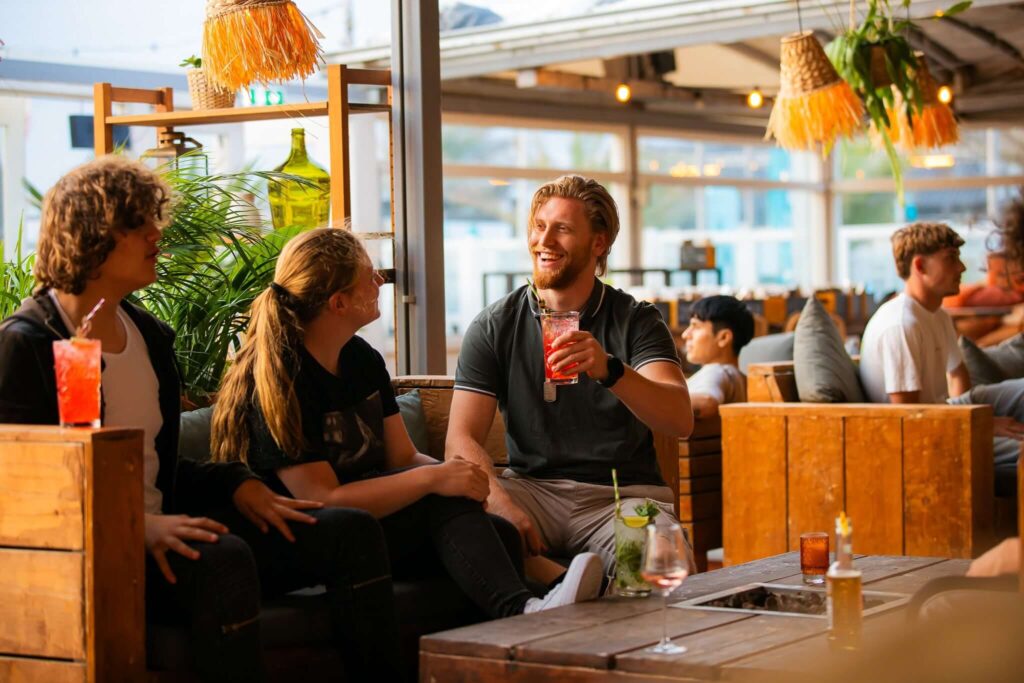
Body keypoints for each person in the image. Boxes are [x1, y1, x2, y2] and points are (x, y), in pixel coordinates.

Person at [0, 156, 399, 682]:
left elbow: (151, 464)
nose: (156, 234)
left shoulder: (146, 335)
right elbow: (21, 492)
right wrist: (138, 528)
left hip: (164, 523)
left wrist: (238, 483)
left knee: (348, 530)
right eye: (140, 223)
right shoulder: (26, 344)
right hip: (86, 551)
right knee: (223, 559)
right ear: (93, 233)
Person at [209, 227, 604, 630]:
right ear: (339, 302)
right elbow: (322, 498)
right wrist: (434, 479)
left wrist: (455, 477)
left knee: (494, 528)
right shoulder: (281, 379)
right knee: (441, 498)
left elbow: (401, 457)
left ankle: (533, 613)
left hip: (365, 522)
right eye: (368, 274)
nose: (380, 280)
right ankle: (528, 610)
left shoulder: (361, 359)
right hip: (306, 537)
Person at [446, 175, 695, 585]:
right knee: (455, 515)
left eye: (562, 228)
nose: (545, 240)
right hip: (533, 490)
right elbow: (460, 439)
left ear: (598, 243)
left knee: (652, 566)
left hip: (619, 496)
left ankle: (568, 586)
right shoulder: (494, 325)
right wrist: (501, 504)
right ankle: (564, 585)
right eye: (539, 226)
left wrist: (610, 370)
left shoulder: (635, 320)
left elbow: (679, 419)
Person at [859, 221, 1024, 479]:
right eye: (951, 259)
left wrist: (975, 417)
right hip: (925, 432)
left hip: (944, 412)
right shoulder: (901, 324)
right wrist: (982, 426)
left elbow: (958, 375)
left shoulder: (936, 313)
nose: (962, 267)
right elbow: (909, 417)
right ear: (920, 266)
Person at [680, 295, 754, 418]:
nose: (685, 334)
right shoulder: (735, 375)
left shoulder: (718, 371)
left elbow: (707, 401)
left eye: (696, 326)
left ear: (723, 338)